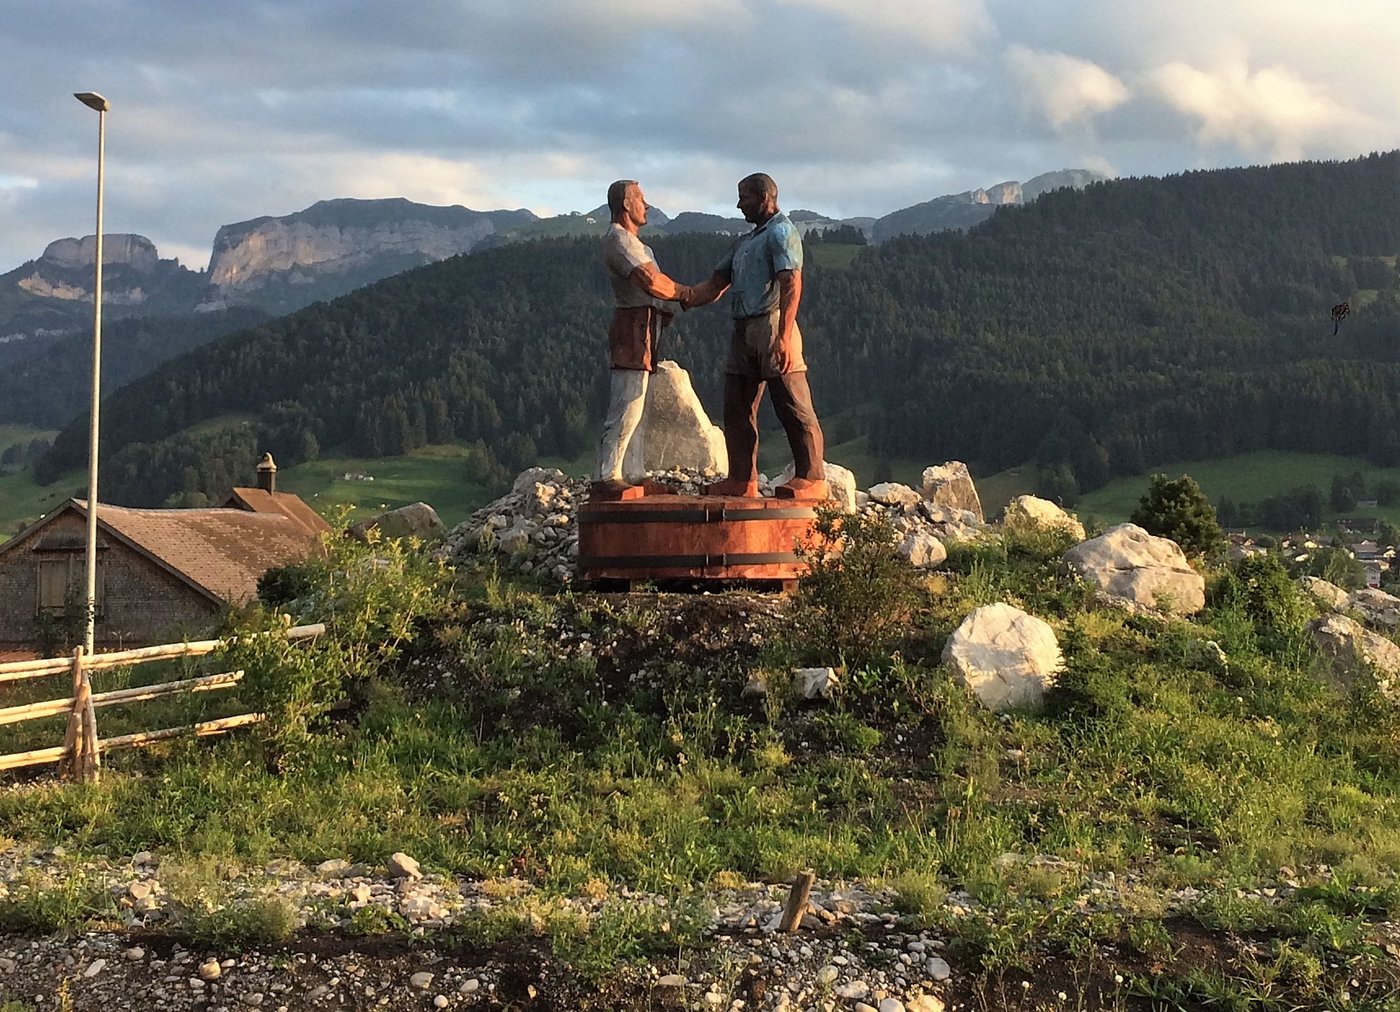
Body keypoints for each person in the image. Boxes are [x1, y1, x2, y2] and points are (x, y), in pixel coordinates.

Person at [682, 173, 827, 500]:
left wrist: (785, 336)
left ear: (764, 198)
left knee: (793, 404)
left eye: (744, 197)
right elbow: (715, 284)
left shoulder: (782, 232)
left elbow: (792, 283)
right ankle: (741, 479)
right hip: (743, 329)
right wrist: (682, 296)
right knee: (736, 407)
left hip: (773, 325)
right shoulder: (746, 242)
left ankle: (812, 476)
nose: (738, 204)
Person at [593, 179, 692, 500]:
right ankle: (606, 474)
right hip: (632, 326)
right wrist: (688, 294)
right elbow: (650, 280)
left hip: (647, 326)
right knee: (627, 402)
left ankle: (631, 472)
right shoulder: (618, 241)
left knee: (641, 405)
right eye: (641, 199)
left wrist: (667, 307)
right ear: (625, 204)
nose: (646, 205)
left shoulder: (640, 245)